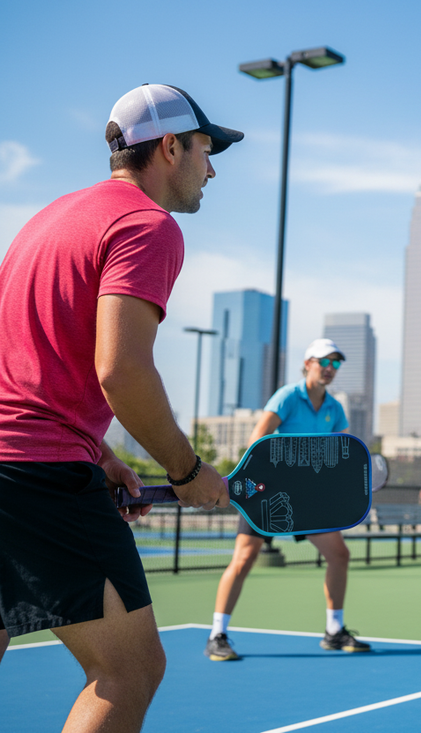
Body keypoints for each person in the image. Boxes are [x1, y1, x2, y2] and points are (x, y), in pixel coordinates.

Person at [0, 84, 239, 731]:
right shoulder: (147, 225)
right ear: (170, 147)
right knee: (128, 669)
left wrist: (99, 451)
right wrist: (188, 471)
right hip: (35, 475)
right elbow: (121, 370)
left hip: (22, 459)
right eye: (206, 150)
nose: (212, 168)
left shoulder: (48, 219)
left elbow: (21, 360)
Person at [205, 339, 371, 661]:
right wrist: (271, 479)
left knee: (339, 555)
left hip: (309, 499)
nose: (330, 368)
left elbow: (344, 455)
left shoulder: (335, 409)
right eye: (324, 361)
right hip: (268, 494)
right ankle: (217, 635)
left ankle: (334, 631)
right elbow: (257, 440)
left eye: (336, 363)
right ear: (308, 364)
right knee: (244, 559)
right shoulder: (287, 397)